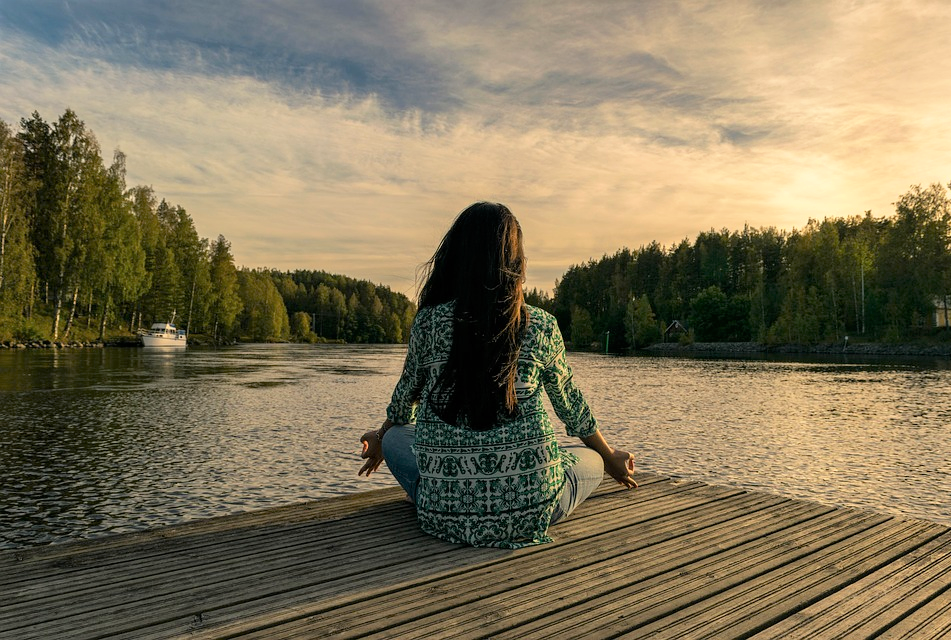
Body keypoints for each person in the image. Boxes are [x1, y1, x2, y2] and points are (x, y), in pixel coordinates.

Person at [358, 202, 636, 549]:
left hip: (443, 515)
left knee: (399, 436)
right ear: (516, 262)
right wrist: (611, 458)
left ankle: (440, 493)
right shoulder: (541, 325)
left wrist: (383, 435)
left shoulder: (428, 323)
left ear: (456, 257)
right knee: (591, 458)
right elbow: (572, 408)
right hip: (534, 509)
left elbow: (403, 404)